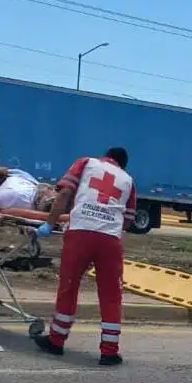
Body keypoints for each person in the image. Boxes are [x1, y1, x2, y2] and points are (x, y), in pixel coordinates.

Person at [34, 147, 137, 366]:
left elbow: (63, 193)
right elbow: (127, 220)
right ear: (123, 164)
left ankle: (56, 341)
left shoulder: (86, 163)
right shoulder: (128, 180)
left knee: (68, 287)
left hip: (80, 233)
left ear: (106, 156)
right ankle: (109, 351)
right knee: (111, 295)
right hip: (110, 240)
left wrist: (50, 223)